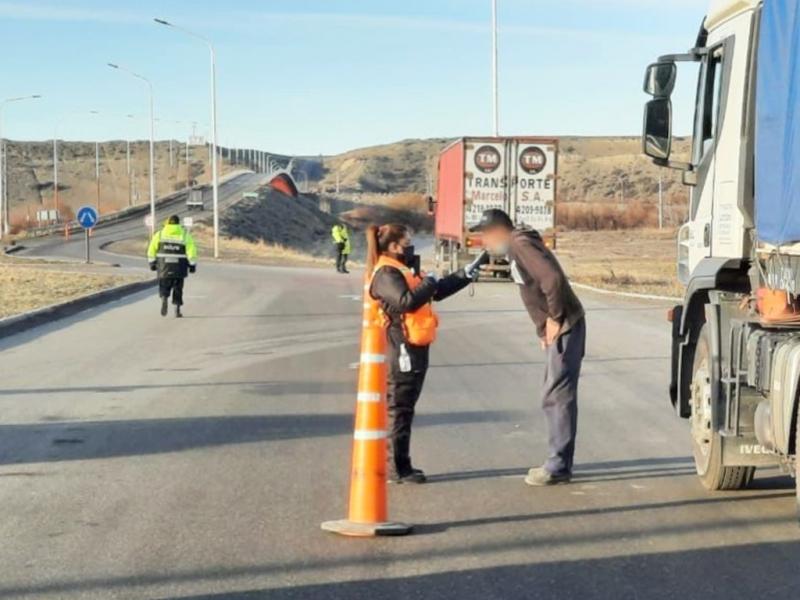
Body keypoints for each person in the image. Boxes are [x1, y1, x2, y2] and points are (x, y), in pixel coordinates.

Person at [366, 224, 488, 484]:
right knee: (400, 409)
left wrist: (464, 275)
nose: (411, 246)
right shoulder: (386, 273)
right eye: (407, 242)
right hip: (402, 347)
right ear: (394, 246)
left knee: (406, 408)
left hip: (416, 344)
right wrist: (430, 282)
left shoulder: (402, 269)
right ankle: (397, 468)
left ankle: (401, 465)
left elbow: (434, 292)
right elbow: (406, 302)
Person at [472, 209, 586, 486]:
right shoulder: (516, 246)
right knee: (555, 393)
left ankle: (557, 466)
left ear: (498, 230)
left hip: (566, 325)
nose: (484, 241)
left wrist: (555, 319)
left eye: (486, 235)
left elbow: (552, 280)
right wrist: (542, 328)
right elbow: (535, 289)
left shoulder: (520, 243)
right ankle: (559, 463)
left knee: (557, 395)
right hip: (560, 327)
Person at [147, 215, 197, 318]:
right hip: (179, 267)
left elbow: (151, 249)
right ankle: (177, 309)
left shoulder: (159, 234)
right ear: (179, 223)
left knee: (164, 285)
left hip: (164, 266)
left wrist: (152, 263)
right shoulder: (184, 235)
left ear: (167, 223)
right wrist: (192, 265)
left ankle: (164, 297)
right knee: (178, 288)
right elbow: (191, 251)